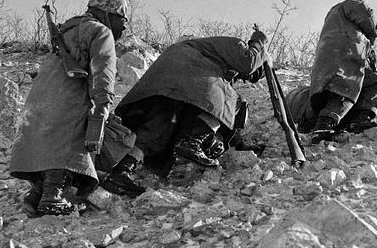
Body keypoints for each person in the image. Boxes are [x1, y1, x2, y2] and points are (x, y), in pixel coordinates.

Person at [9, 0, 135, 215]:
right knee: (73, 140)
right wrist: (103, 105)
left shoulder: (65, 33)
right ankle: (53, 196)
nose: (124, 27)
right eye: (122, 18)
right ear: (108, 13)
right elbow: (102, 71)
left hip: (37, 103)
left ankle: (37, 194)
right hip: (68, 100)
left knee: (52, 145)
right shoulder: (100, 31)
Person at [114, 29, 267, 176]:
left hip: (164, 78)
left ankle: (122, 170)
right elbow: (248, 64)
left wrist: (239, 145)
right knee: (232, 101)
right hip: (187, 66)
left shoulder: (213, 62)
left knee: (160, 127)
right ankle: (193, 141)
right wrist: (258, 42)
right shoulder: (236, 45)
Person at [289, 0, 377, 143]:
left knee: (375, 82)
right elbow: (362, 12)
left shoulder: (340, 23)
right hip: (340, 64)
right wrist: (373, 34)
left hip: (336, 68)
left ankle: (360, 119)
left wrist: (368, 47)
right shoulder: (350, 5)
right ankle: (325, 124)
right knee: (344, 87)